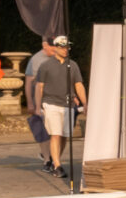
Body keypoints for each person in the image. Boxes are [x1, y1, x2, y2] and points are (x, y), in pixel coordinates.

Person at [24, 35, 84, 175]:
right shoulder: (41, 63)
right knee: (55, 134)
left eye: (67, 47)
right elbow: (37, 86)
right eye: (62, 47)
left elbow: (76, 84)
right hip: (50, 103)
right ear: (55, 47)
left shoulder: (72, 65)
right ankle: (56, 165)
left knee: (63, 135)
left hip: (67, 104)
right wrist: (34, 105)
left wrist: (82, 101)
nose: (65, 49)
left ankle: (52, 158)